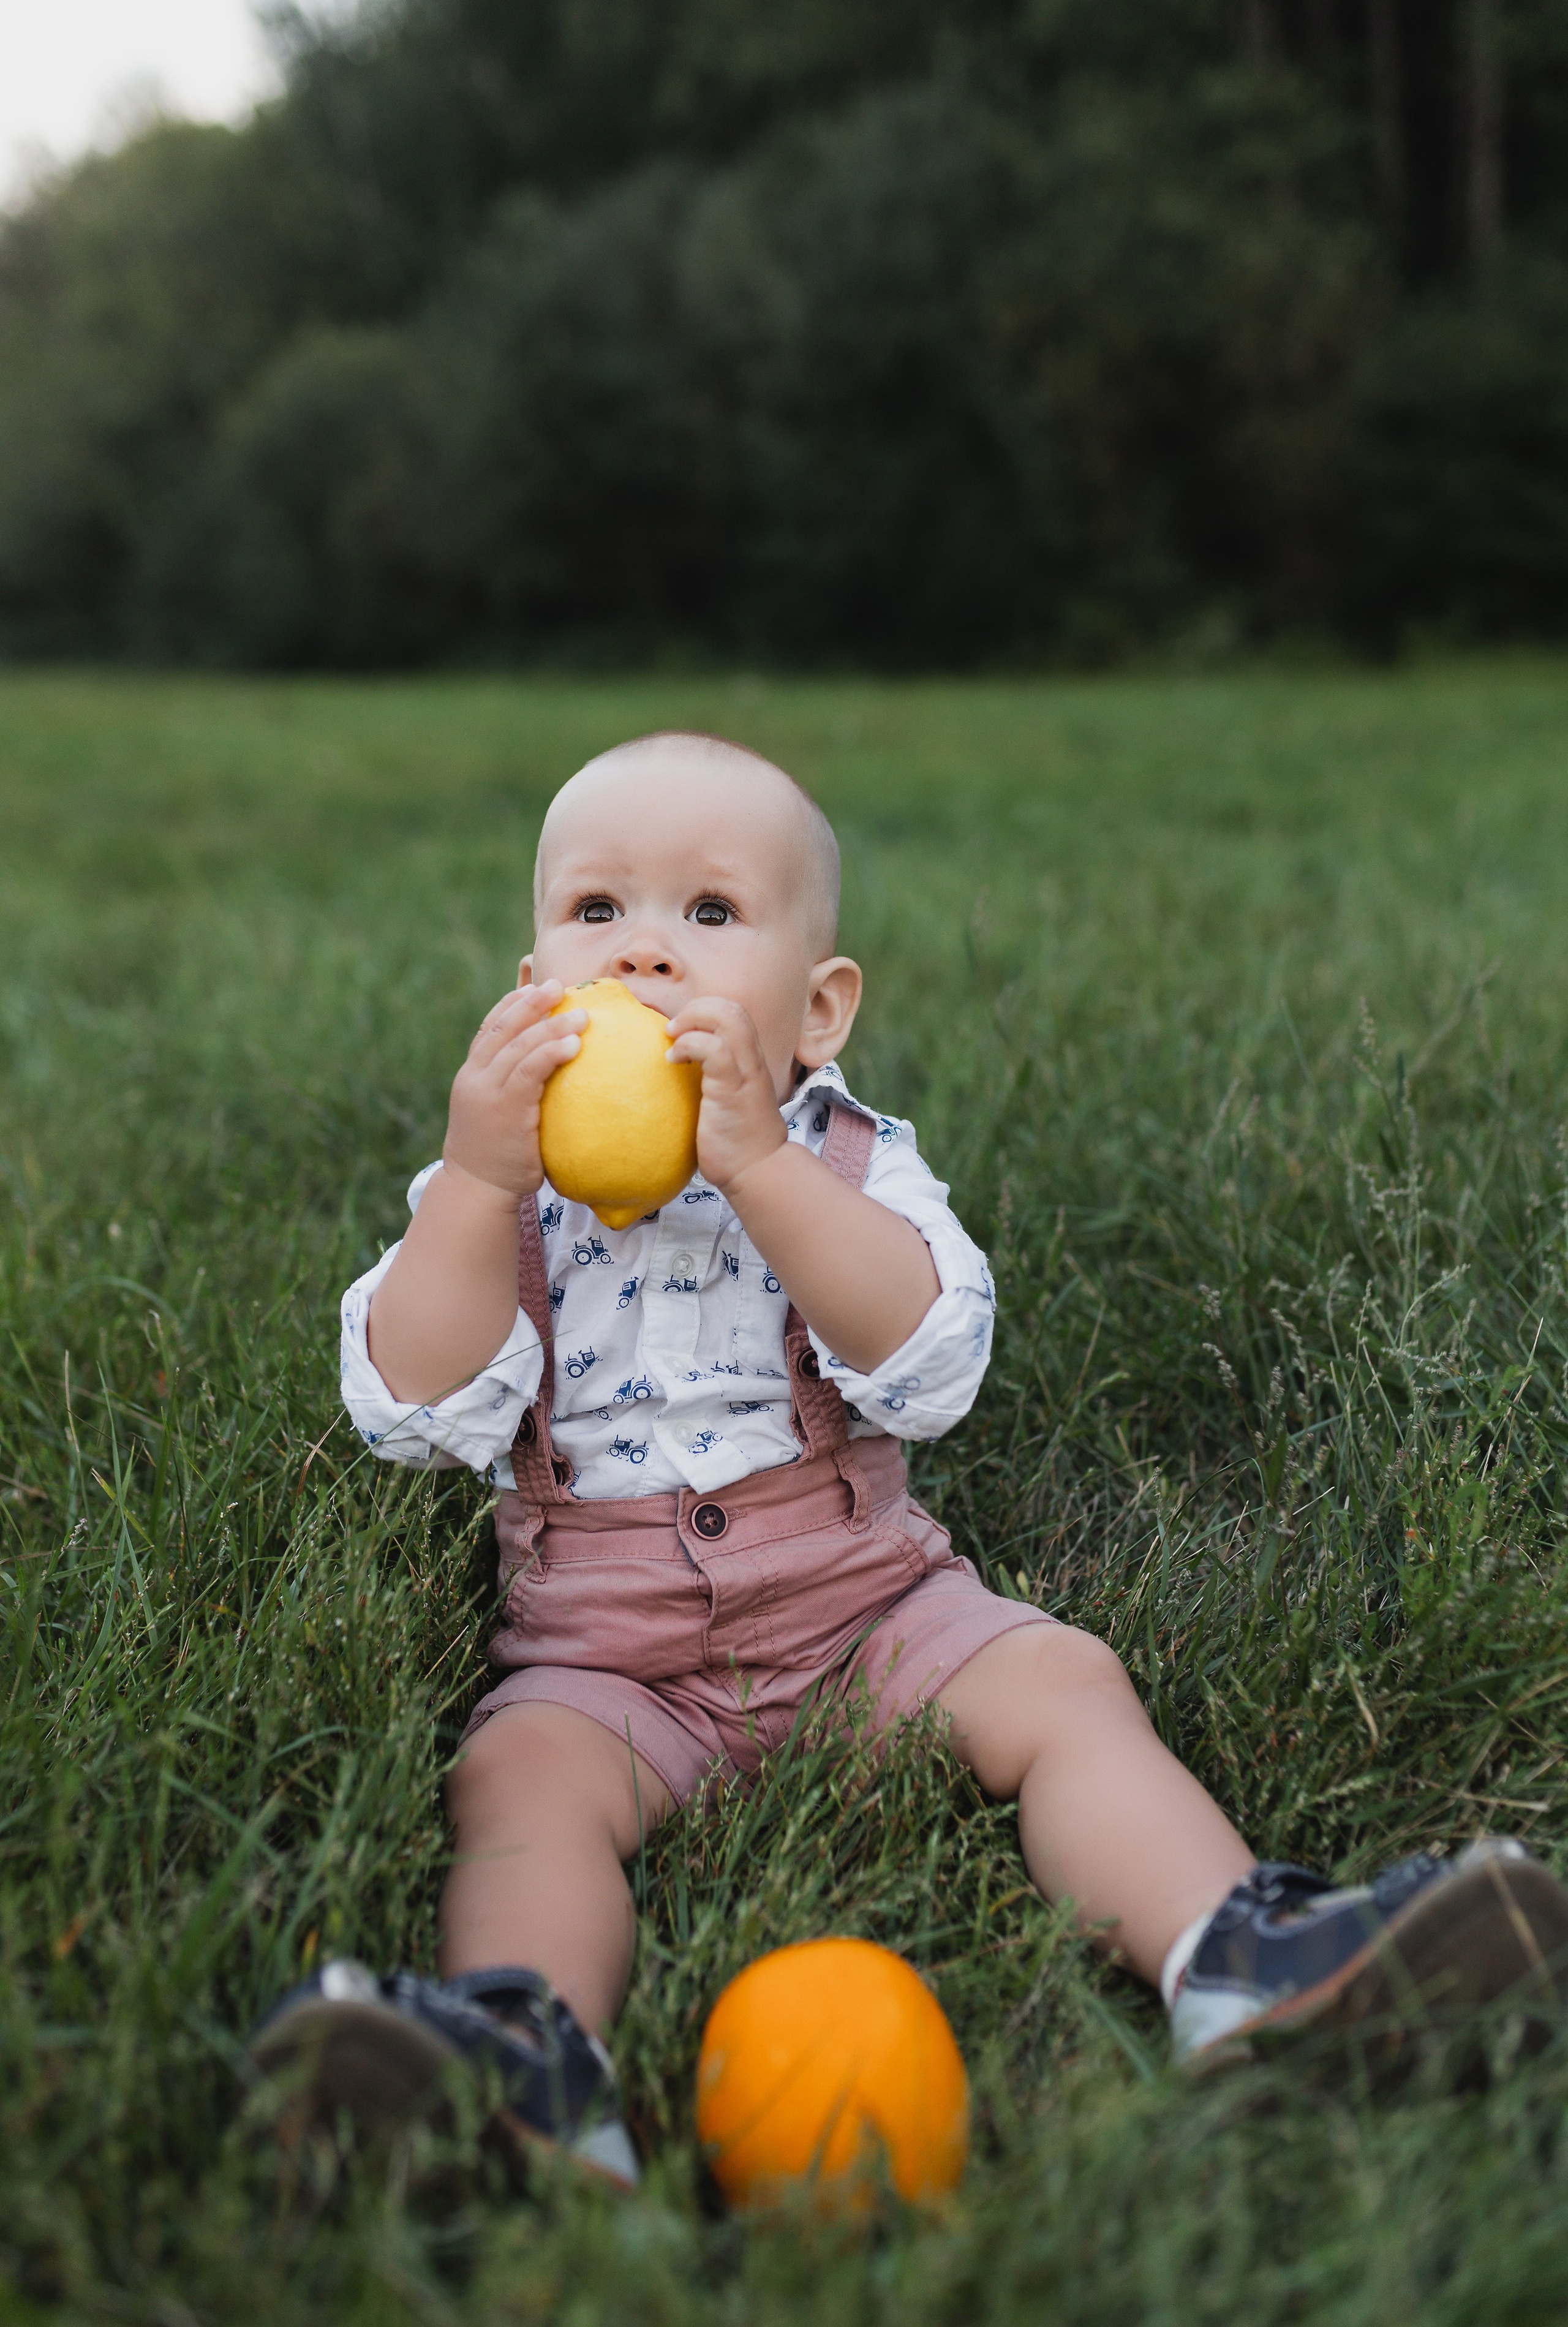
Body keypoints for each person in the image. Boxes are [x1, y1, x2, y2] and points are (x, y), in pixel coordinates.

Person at [251, 732, 1568, 2188]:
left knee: (1061, 1683)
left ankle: (1240, 1952)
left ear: (817, 1013)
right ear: (529, 989)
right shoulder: (497, 1187)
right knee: (516, 1778)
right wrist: (482, 1177)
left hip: (870, 1619)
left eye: (707, 915)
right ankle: (525, 2057)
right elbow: (411, 1403)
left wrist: (757, 1164)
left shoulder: (845, 1159)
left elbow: (926, 1360)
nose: (642, 959)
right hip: (606, 1665)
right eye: (593, 914)